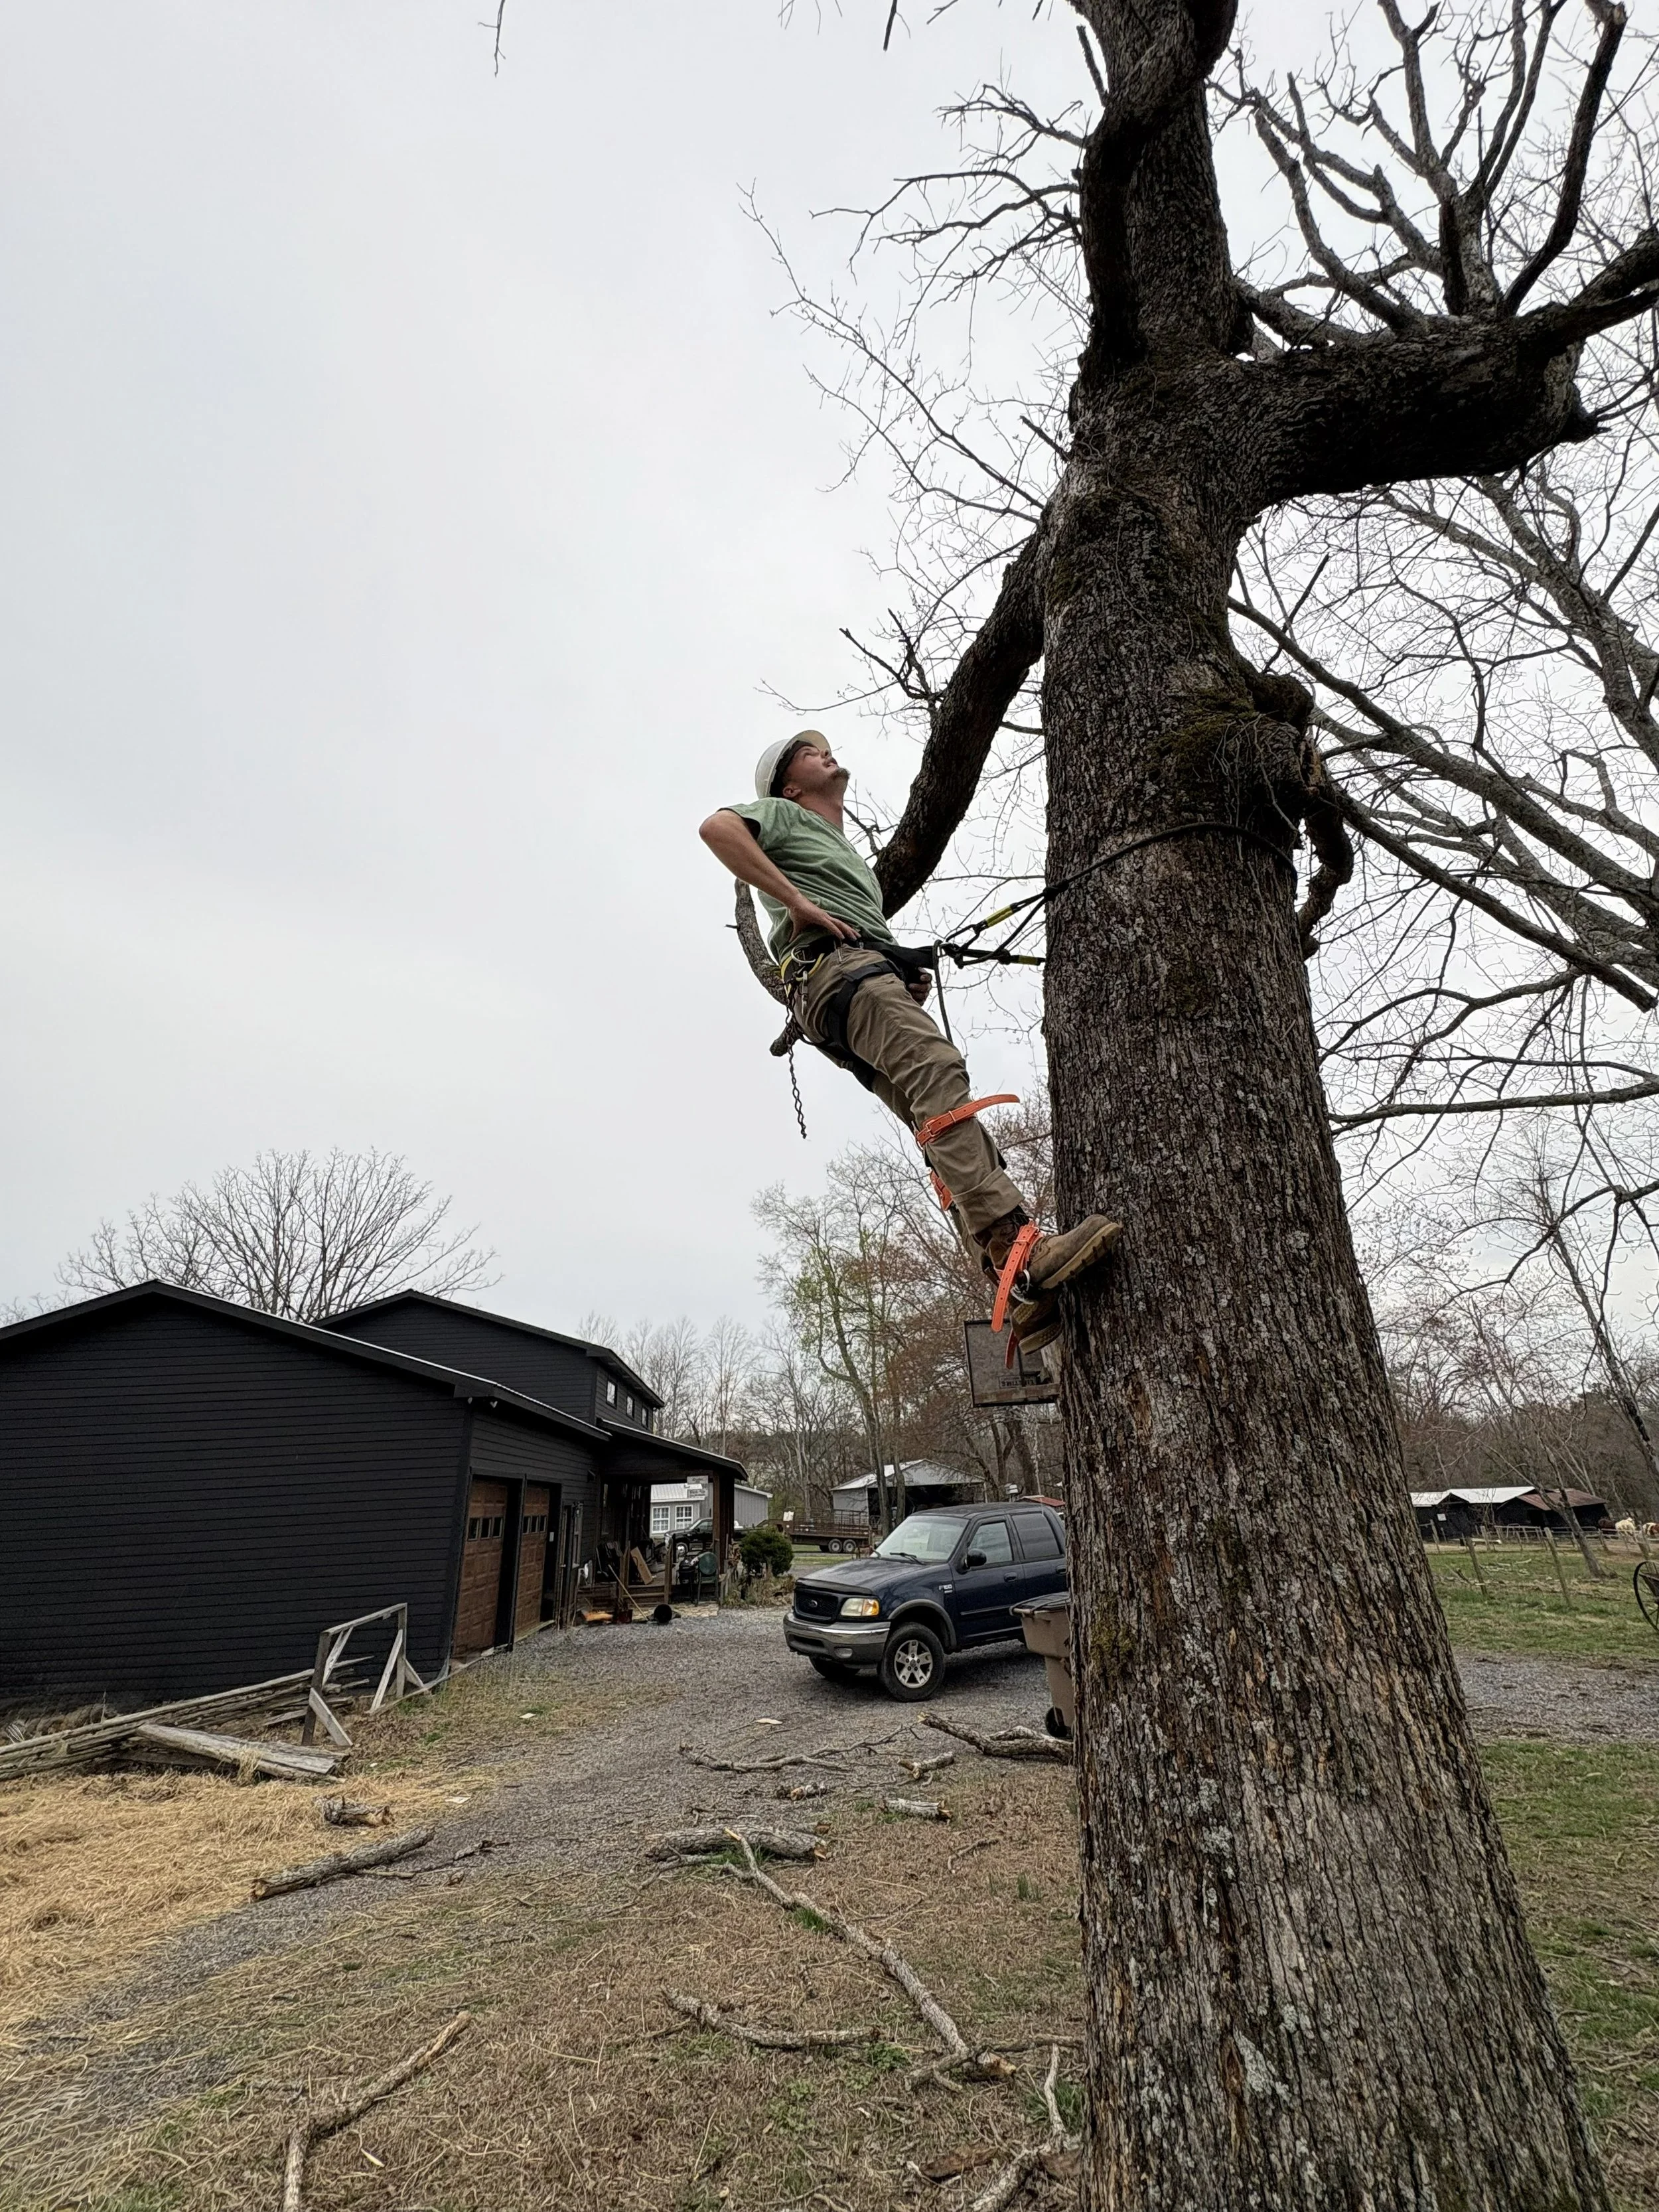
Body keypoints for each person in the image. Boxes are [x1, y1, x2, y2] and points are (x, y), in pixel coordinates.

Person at [700, 729, 1120, 1350]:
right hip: (834, 973)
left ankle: (1017, 1284)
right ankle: (1019, 1251)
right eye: (810, 754)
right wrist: (796, 904)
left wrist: (896, 970)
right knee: (937, 1070)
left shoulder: (838, 853)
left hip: (847, 983)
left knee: (942, 1125)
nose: (827, 754)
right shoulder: (784, 815)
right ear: (789, 786)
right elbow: (717, 828)